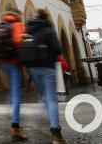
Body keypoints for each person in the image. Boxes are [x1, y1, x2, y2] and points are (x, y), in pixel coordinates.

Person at [24, 9, 66, 144]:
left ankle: (42, 111)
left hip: (32, 68)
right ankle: (56, 133)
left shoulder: (29, 28)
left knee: (43, 94)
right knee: (51, 98)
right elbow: (57, 48)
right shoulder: (48, 28)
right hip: (47, 67)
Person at [0, 7, 27, 141]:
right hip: (13, 61)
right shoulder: (17, 24)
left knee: (13, 89)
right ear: (17, 15)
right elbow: (18, 42)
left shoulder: (2, 24)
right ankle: (15, 126)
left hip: (2, 62)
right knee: (17, 91)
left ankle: (10, 111)